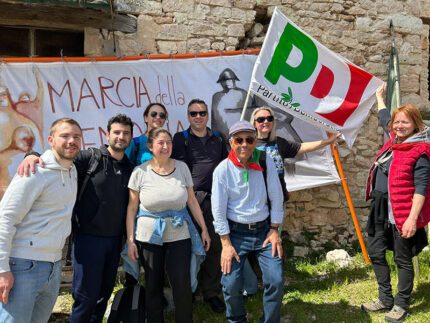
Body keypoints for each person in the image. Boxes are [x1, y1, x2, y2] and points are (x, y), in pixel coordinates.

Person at [17, 114, 135, 323]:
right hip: (88, 239)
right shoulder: (89, 158)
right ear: (107, 135)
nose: (121, 136)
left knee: (103, 295)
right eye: (116, 132)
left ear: (131, 137)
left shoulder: (130, 168)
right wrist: (32, 155)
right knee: (85, 298)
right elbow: (56, 158)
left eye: (126, 133)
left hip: (115, 241)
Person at [242, 106, 340, 296]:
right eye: (260, 119)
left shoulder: (279, 143)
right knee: (254, 241)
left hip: (277, 202)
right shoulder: (248, 144)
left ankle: (272, 281)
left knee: (273, 240)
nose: (265, 122)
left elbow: (301, 148)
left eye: (269, 118)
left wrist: (327, 142)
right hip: (256, 203)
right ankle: (254, 281)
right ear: (254, 123)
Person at [0, 118, 82, 322]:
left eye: (76, 137)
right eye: (65, 136)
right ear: (51, 140)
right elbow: (6, 218)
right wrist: (2, 270)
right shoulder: (34, 171)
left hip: (54, 267)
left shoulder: (72, 171)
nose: (71, 141)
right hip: (23, 266)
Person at [361, 83, 430, 323]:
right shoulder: (393, 140)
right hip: (380, 207)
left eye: (405, 123)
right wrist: (380, 98)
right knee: (376, 252)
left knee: (402, 259)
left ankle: (401, 304)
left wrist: (412, 219)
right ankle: (385, 298)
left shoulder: (419, 151)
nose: (399, 126)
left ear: (416, 126)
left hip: (402, 211)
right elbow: (383, 119)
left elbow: (421, 189)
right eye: (397, 122)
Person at [126, 127, 211, 323]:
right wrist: (130, 240)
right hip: (149, 236)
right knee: (153, 284)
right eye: (161, 143)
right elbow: (132, 209)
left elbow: (191, 201)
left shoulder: (181, 168)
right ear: (150, 147)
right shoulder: (140, 172)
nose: (165, 147)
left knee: (181, 283)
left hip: (179, 233)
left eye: (169, 143)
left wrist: (204, 229)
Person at [211, 120, 284, 323]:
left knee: (276, 280)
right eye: (239, 140)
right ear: (231, 142)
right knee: (231, 284)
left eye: (249, 139)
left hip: (264, 231)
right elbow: (218, 210)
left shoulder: (264, 160)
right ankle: (236, 320)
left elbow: (276, 196)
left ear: (255, 141)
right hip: (235, 234)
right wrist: (225, 244)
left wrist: (275, 229)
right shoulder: (222, 170)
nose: (244, 144)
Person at [171, 98, 228, 313]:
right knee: (187, 250)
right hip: (189, 202)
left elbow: (226, 167)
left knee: (214, 247)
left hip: (215, 201)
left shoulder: (219, 138)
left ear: (207, 116)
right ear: (188, 117)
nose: (198, 117)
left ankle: (211, 292)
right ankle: (188, 292)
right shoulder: (179, 139)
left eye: (202, 113)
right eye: (193, 113)